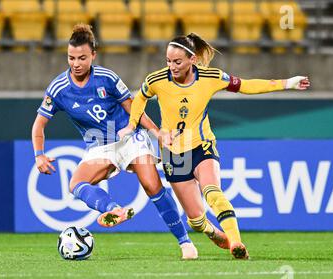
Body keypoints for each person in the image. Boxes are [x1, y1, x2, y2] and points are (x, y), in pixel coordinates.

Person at [119, 33, 310, 259]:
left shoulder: (211, 77)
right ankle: (212, 231)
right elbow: (139, 98)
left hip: (202, 145)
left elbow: (246, 85)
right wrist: (139, 127)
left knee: (212, 192)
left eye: (177, 62)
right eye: (168, 61)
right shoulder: (156, 80)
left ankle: (236, 243)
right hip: (173, 155)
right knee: (196, 220)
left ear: (192, 59)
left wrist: (287, 83)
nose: (171, 66)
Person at [31, 24, 211, 260]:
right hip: (99, 145)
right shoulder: (58, 88)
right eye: (71, 57)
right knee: (76, 183)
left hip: (128, 137)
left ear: (93, 55)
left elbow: (134, 108)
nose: (76, 63)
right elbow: (39, 125)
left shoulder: (106, 78)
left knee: (151, 184)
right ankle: (113, 209)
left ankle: (185, 242)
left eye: (82, 58)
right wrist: (39, 154)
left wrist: (157, 133)